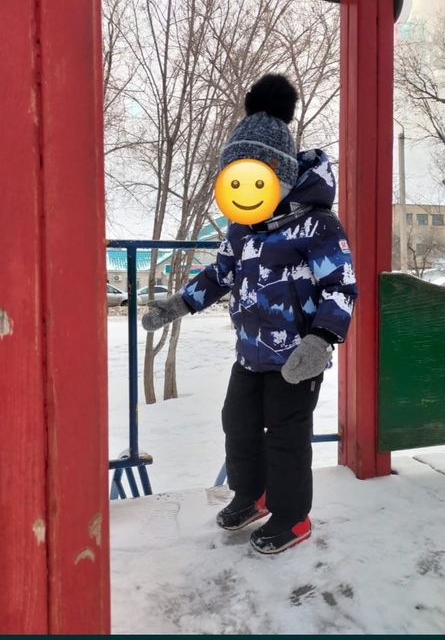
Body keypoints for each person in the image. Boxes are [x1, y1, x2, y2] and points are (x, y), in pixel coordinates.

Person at [142, 74, 357, 554]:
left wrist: (321, 340)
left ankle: (292, 518)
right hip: (251, 353)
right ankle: (252, 495)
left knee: (286, 436)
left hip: (297, 359)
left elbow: (341, 287)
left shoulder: (317, 225)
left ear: (280, 175)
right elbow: (219, 274)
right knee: (237, 424)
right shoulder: (241, 229)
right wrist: (178, 303)